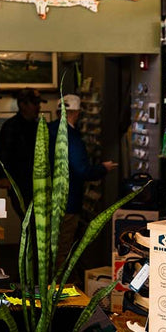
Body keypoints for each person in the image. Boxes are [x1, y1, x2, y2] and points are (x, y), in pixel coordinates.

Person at [47, 94, 117, 274]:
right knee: (63, 247)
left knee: (49, 247)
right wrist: (102, 168)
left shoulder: (47, 130)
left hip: (46, 199)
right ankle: (60, 291)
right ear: (76, 113)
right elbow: (81, 169)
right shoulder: (70, 136)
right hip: (68, 202)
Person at [0, 89, 42, 209]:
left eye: (38, 103)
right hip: (20, 184)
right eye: (35, 103)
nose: (38, 107)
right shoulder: (11, 127)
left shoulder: (38, 126)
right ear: (22, 105)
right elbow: (1, 153)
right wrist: (3, 177)